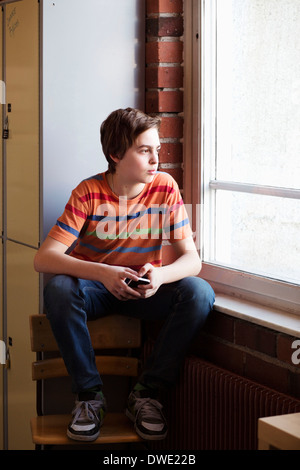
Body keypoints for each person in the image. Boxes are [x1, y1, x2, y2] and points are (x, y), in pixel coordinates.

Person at [34, 107, 215, 442]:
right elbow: (44, 258)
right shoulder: (88, 192)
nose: (155, 159)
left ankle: (146, 393)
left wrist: (159, 277)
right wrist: (104, 274)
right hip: (95, 292)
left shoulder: (165, 187)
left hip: (142, 291)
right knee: (59, 289)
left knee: (199, 292)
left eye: (157, 150)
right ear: (116, 154)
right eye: (145, 151)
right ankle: (90, 397)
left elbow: (192, 260)